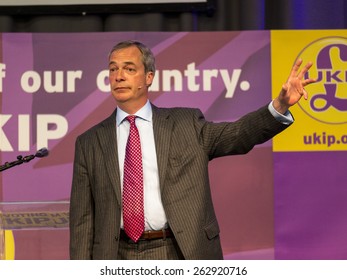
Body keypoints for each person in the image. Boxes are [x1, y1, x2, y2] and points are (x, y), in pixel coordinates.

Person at [69, 40, 316, 260]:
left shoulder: (185, 124)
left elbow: (238, 134)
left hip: (177, 251)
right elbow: (82, 222)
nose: (119, 76)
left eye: (129, 69)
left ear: (149, 77)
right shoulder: (90, 143)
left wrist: (280, 105)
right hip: (116, 257)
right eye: (113, 69)